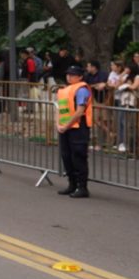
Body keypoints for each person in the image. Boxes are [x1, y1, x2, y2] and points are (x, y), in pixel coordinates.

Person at [56, 65, 93, 198]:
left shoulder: (81, 89)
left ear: (80, 77)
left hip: (78, 128)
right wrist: (58, 124)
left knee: (78, 157)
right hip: (66, 128)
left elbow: (79, 111)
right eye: (68, 74)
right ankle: (72, 184)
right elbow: (59, 109)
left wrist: (65, 126)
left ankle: (82, 187)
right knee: (66, 157)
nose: (69, 77)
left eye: (72, 75)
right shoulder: (64, 90)